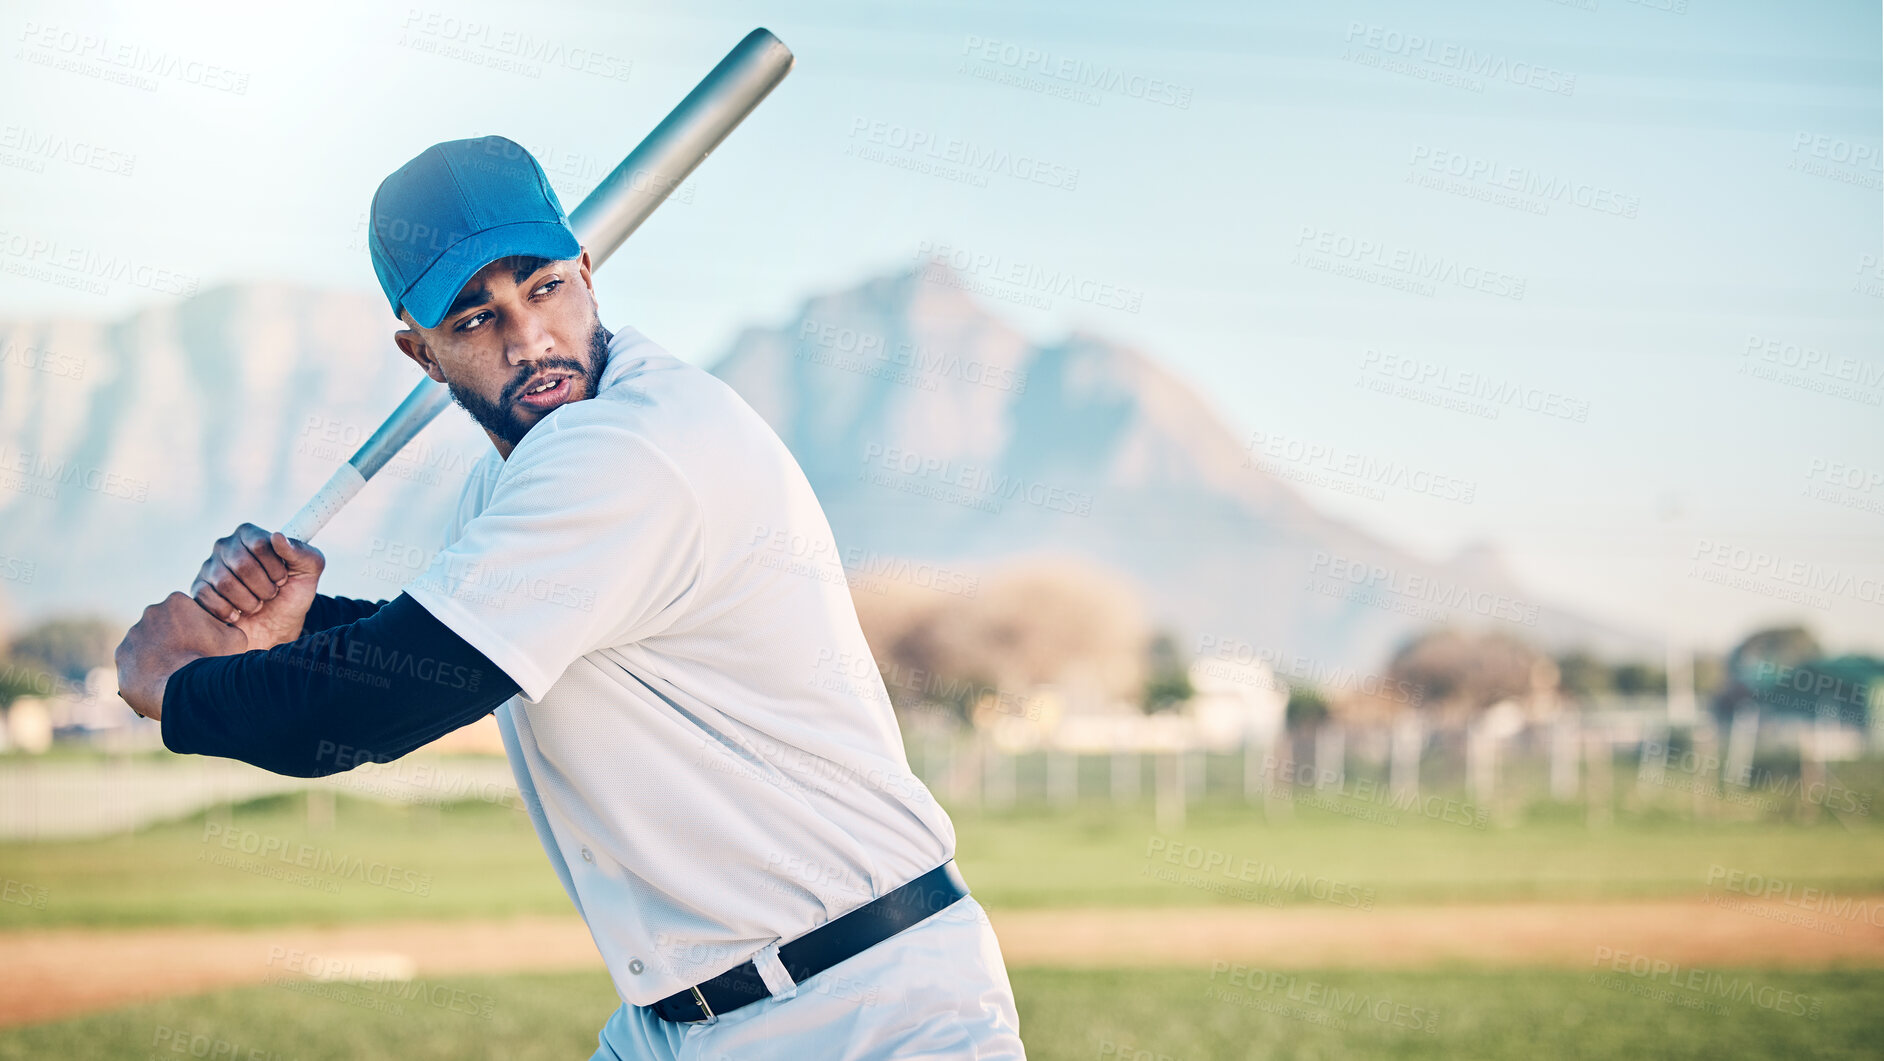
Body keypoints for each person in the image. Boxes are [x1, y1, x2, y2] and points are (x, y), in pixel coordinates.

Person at [113, 135, 1025, 1059]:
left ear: (587, 271)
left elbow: (380, 700)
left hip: (863, 1007)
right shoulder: (522, 476)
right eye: (473, 319)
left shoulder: (626, 451)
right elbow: (440, 641)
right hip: (681, 1020)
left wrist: (176, 683)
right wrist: (295, 627)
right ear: (419, 353)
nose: (529, 340)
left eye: (542, 287)